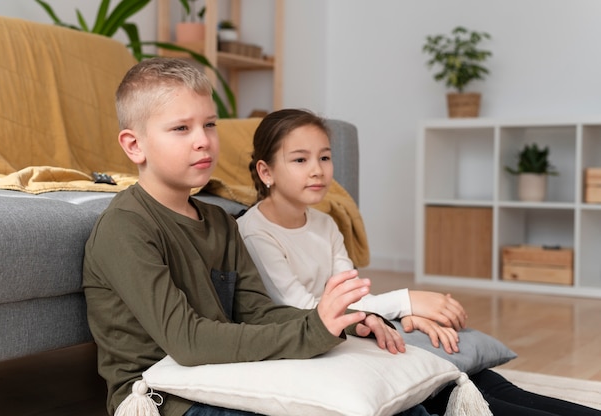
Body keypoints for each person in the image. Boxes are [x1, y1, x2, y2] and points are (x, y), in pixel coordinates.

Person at [82, 58, 430, 416]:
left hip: (226, 377)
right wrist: (313, 331)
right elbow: (187, 342)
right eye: (181, 129)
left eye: (210, 124)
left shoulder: (220, 221)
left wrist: (348, 319)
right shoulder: (125, 227)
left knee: (406, 404)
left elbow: (257, 313)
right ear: (134, 145)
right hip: (164, 396)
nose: (204, 141)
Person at [236, 108, 601, 416]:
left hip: (359, 333)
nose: (317, 170)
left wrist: (398, 317)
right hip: (320, 349)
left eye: (325, 157)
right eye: (300, 159)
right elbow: (304, 311)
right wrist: (406, 301)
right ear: (266, 172)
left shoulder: (325, 222)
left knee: (487, 381)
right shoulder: (254, 233)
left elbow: (349, 295)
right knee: (467, 397)